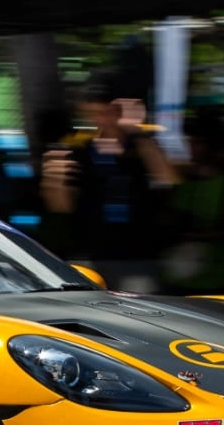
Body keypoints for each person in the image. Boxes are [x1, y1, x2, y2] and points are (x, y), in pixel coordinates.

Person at [38, 68, 177, 291]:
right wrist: (54, 179)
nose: (102, 121)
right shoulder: (79, 150)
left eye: (108, 112)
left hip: (136, 254)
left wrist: (136, 132)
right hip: (92, 252)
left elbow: (168, 178)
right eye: (94, 114)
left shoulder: (141, 145)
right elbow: (61, 205)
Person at [160, 111, 224, 296]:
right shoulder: (184, 179)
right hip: (182, 277)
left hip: (221, 278)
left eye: (196, 142)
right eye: (189, 141)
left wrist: (203, 235)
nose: (190, 147)